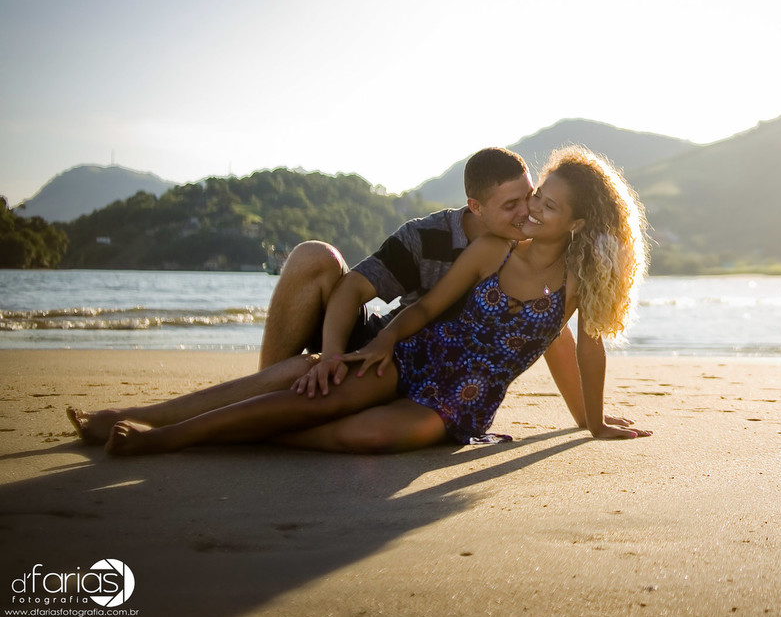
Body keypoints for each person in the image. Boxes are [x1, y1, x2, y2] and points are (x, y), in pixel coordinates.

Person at [91, 145, 651, 454]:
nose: (529, 211)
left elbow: (580, 349)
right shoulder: (488, 251)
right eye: (528, 201)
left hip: (460, 400)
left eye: (542, 205)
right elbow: (423, 309)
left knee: (372, 434)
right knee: (324, 388)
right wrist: (374, 344)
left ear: (578, 224)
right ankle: (158, 436)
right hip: (411, 353)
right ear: (478, 208)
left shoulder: (578, 283)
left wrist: (592, 422)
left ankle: (247, 431)